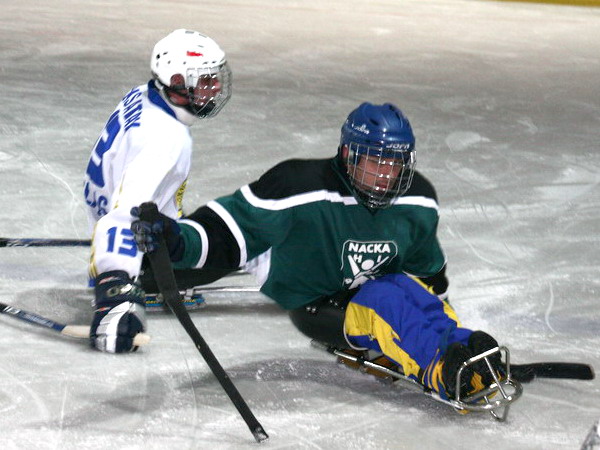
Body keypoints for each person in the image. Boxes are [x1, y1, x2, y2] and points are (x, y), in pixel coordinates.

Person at [131, 102, 503, 401]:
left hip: (368, 290)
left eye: (395, 164)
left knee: (404, 292)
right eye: (376, 162)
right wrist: (174, 240)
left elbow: (428, 275)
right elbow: (227, 231)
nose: (385, 176)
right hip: (314, 301)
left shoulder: (418, 199)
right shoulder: (299, 186)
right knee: (384, 300)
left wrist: (444, 325)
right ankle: (443, 371)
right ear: (348, 154)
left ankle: (466, 351)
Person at [83, 29, 232, 353]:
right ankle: (142, 272)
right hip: (143, 242)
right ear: (177, 81)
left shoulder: (145, 93)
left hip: (111, 200)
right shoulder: (165, 140)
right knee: (238, 238)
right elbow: (124, 217)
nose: (216, 86)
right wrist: (115, 293)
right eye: (205, 79)